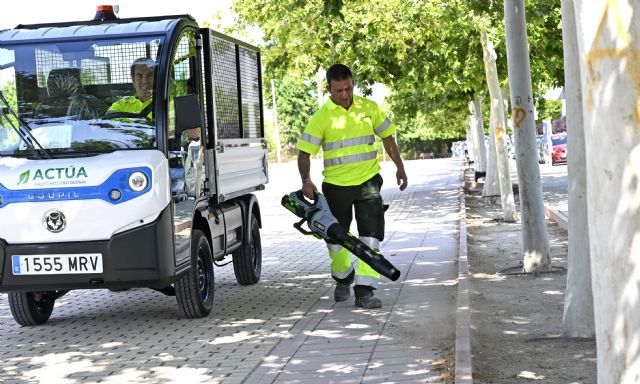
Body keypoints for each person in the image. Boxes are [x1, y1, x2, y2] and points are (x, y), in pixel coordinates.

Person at [297, 64, 408, 309]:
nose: (345, 95)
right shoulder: (322, 117)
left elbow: (388, 138)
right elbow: (304, 153)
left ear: (353, 83)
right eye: (339, 91)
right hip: (336, 187)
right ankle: (343, 276)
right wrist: (306, 179)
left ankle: (365, 290)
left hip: (368, 182)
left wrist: (400, 166)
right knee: (335, 239)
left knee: (370, 237)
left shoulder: (369, 109)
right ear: (329, 89)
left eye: (348, 88)